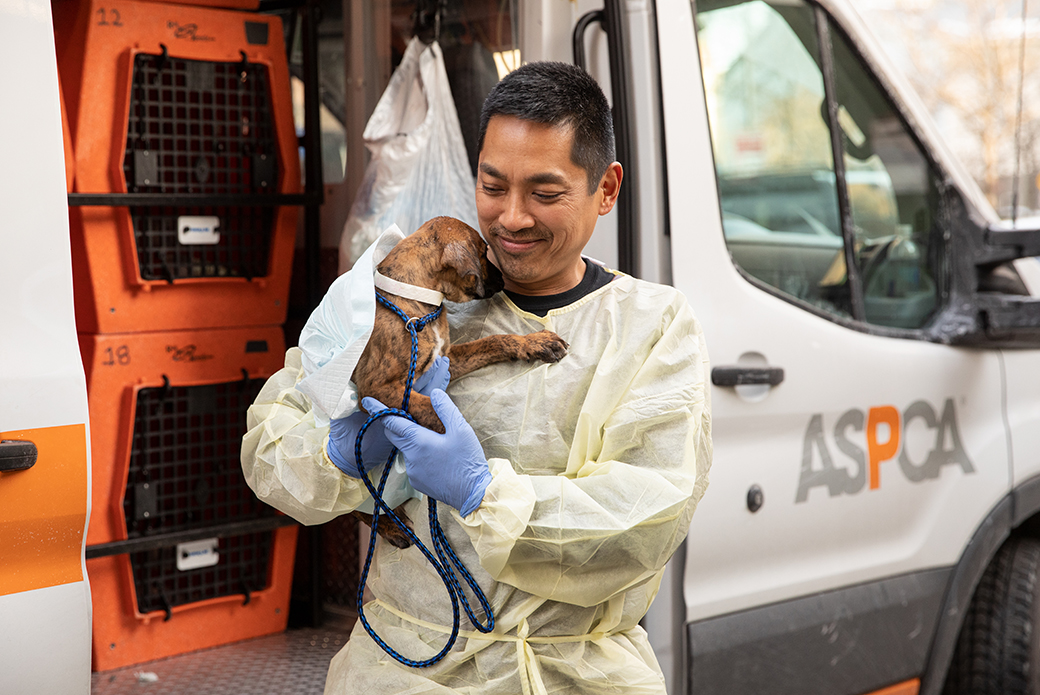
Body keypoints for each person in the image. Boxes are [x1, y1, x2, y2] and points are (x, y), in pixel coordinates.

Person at [242, 61, 711, 695]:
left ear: (605, 189)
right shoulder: (404, 301)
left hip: (571, 675)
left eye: (544, 194)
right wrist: (339, 450)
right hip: (402, 669)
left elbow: (645, 519)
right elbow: (269, 454)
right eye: (493, 187)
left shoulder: (651, 325)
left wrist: (481, 493)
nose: (511, 219)